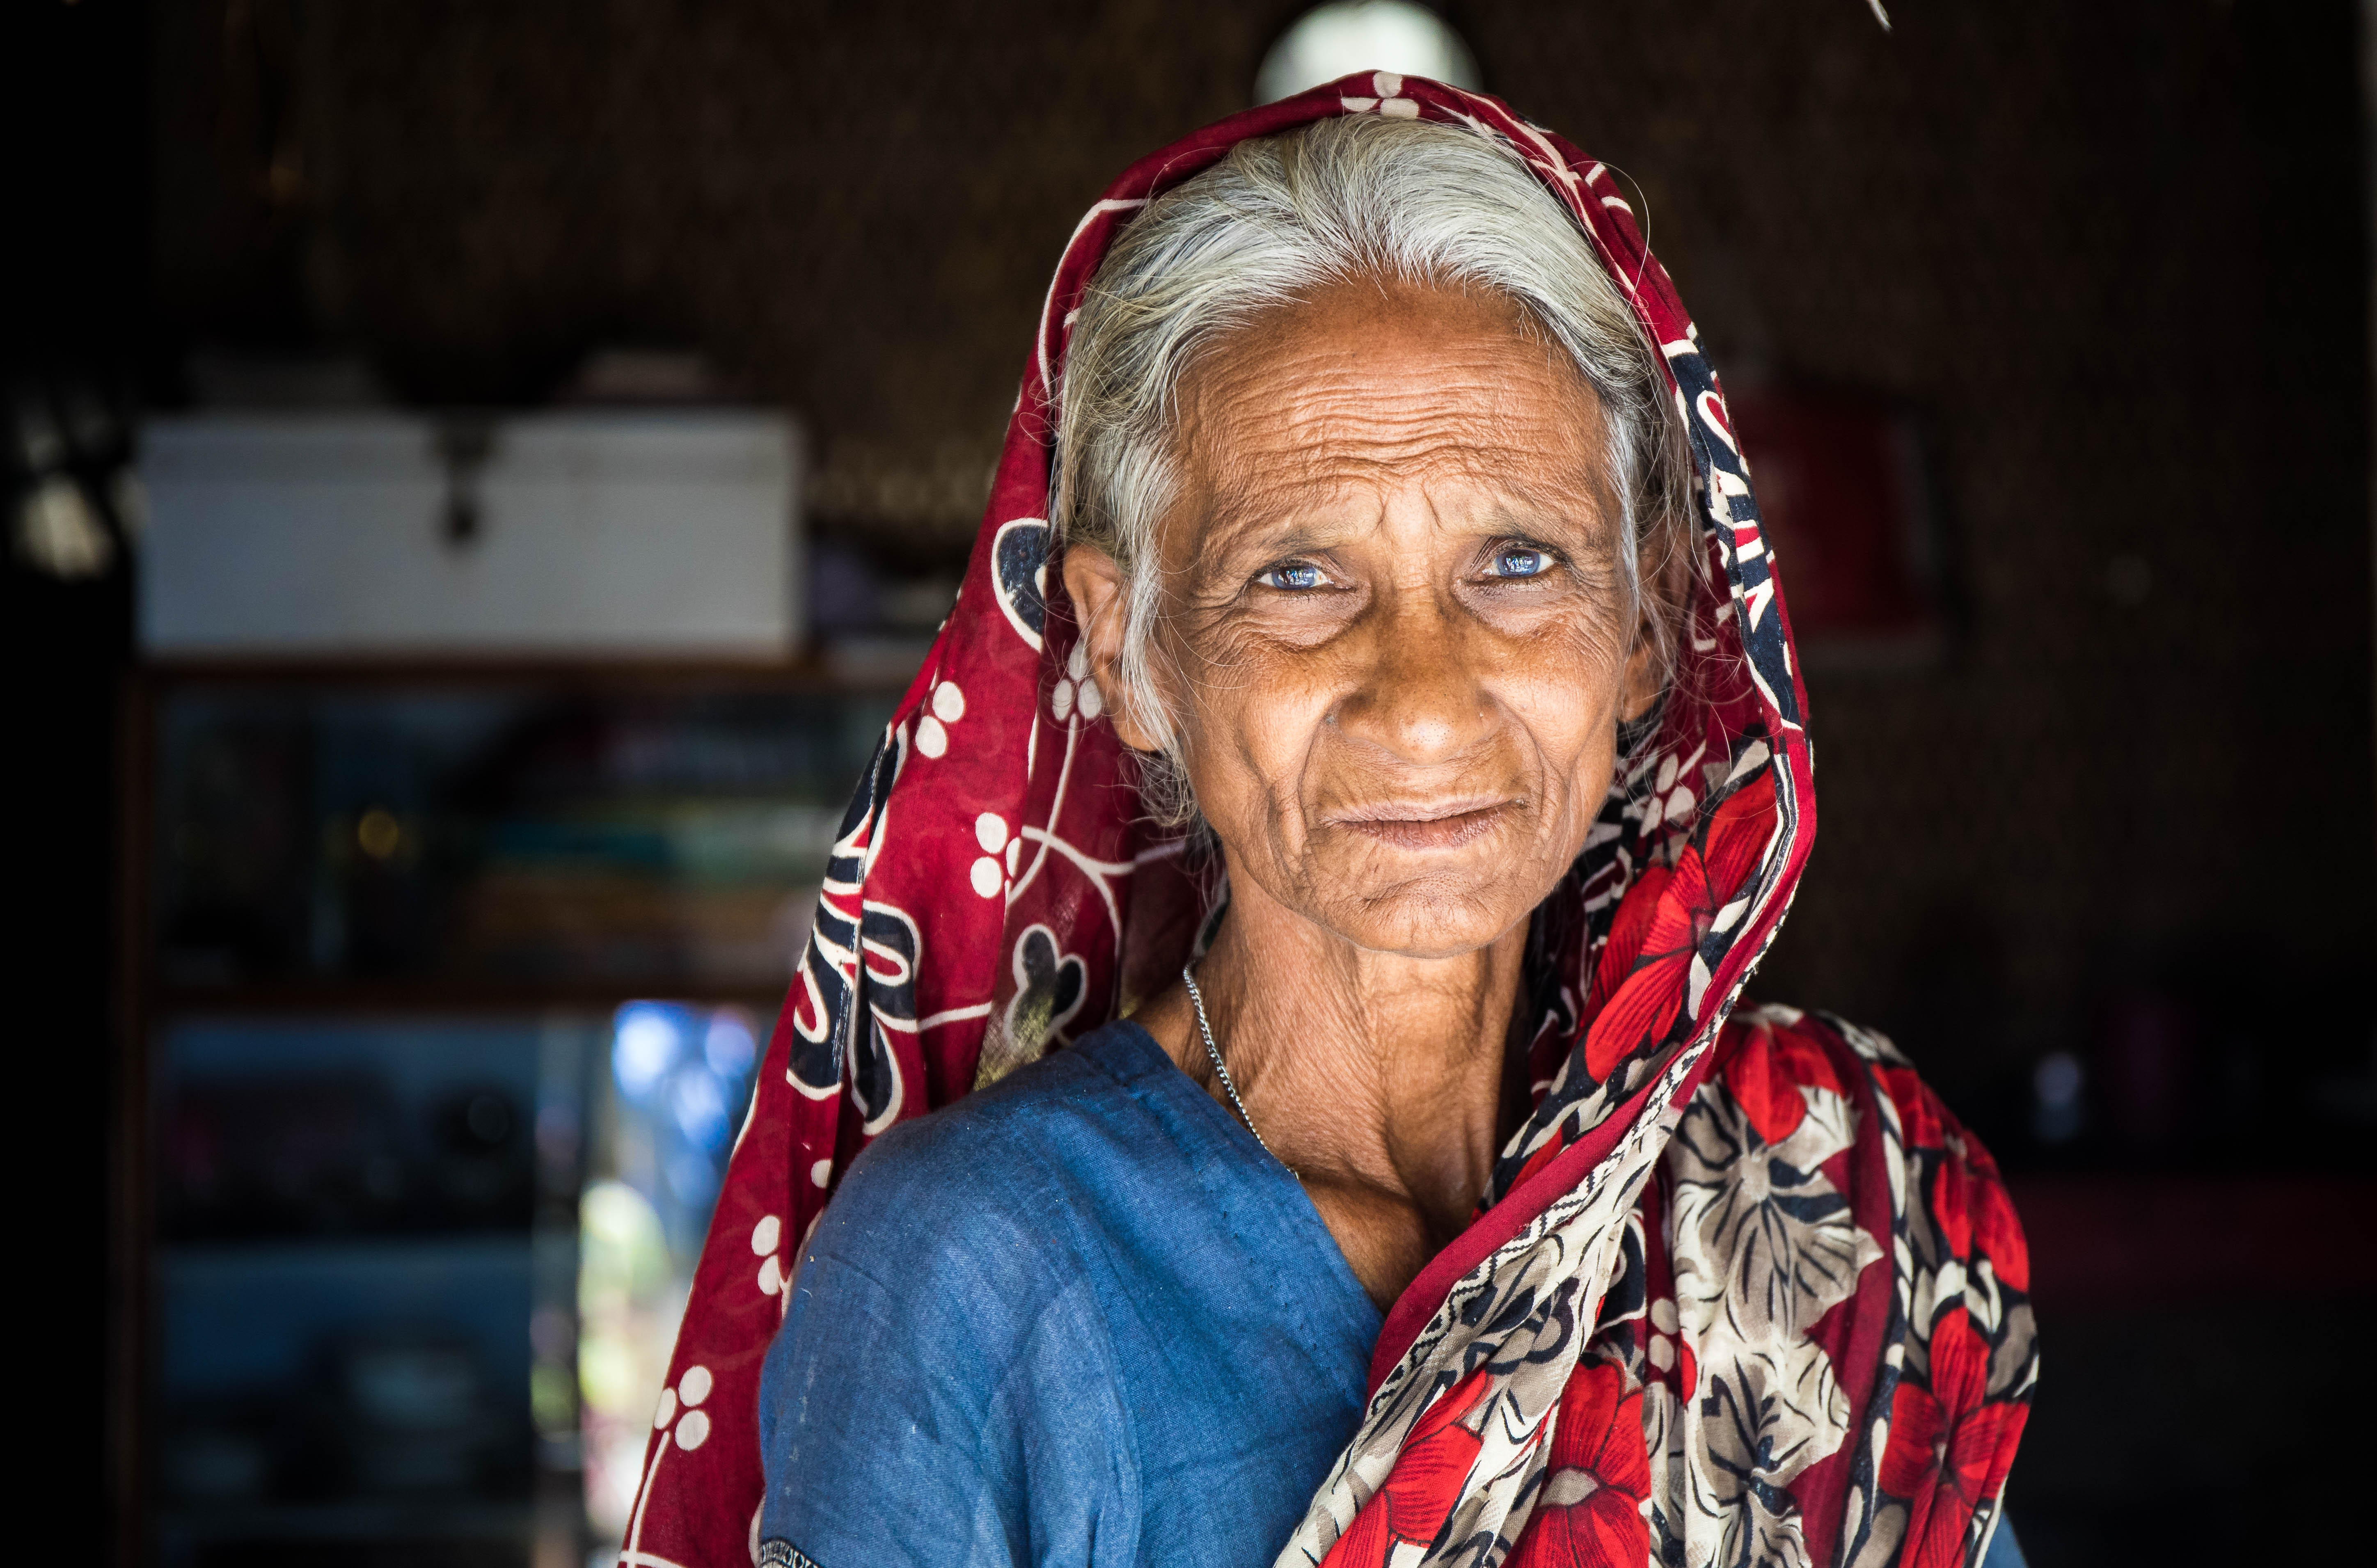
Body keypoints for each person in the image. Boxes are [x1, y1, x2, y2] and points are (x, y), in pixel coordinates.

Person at [619, 78, 2037, 1568]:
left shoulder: (1820, 1193)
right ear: (1129, 655)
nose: (1422, 702)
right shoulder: (980, 1273)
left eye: (1517, 559)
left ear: (1646, 621)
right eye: (1297, 578)